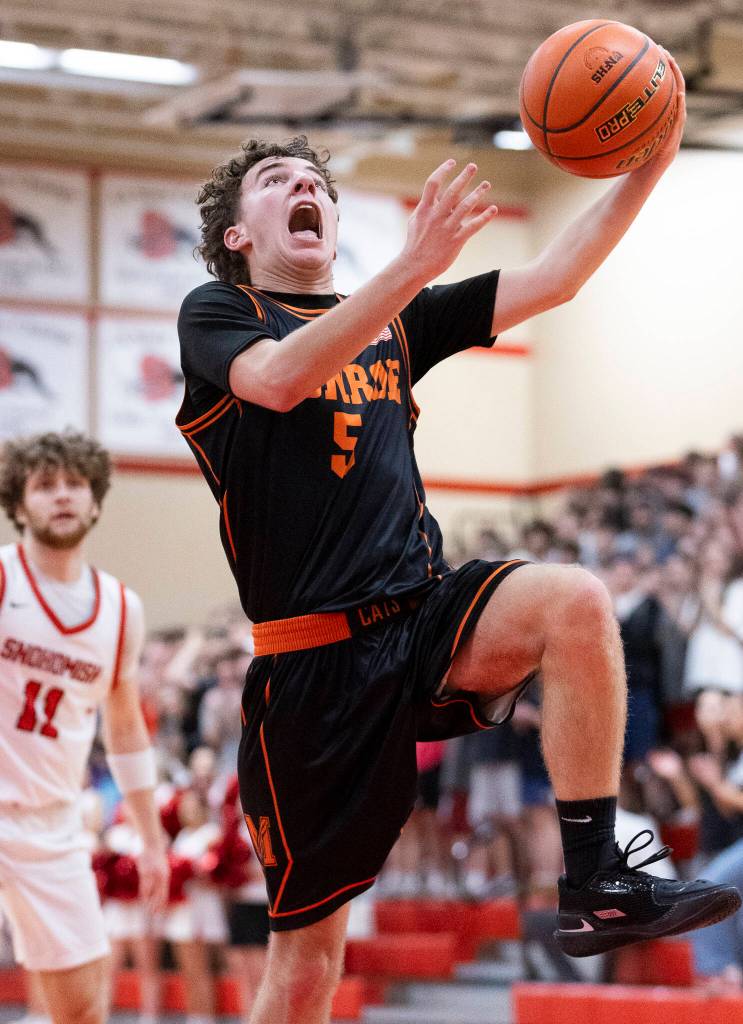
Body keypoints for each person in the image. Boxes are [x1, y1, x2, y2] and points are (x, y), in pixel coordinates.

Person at [177, 51, 739, 1024]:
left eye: (316, 181)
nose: (304, 186)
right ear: (238, 233)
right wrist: (408, 268)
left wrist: (650, 157)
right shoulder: (222, 312)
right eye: (278, 183)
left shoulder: (397, 321)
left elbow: (556, 275)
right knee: (309, 970)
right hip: (312, 671)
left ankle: (595, 874)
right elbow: (277, 382)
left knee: (572, 598)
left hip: (424, 616)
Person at [0, 431, 169, 1024]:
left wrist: (150, 840)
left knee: (82, 1013)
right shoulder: (3, 578)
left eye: (75, 484)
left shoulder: (121, 610)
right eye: (44, 485)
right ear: (18, 505)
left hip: (52, 823)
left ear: (95, 501)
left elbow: (125, 729)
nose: (62, 495)